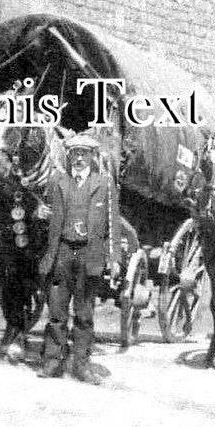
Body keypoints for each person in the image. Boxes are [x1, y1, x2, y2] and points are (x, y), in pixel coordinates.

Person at [36, 133, 123, 384]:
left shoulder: (104, 184)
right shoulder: (58, 182)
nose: (79, 158)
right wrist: (39, 211)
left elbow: (112, 224)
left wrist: (114, 257)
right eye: (75, 153)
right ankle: (53, 362)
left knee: (84, 314)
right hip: (62, 252)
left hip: (89, 254)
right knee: (56, 311)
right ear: (69, 156)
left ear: (93, 157)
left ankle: (81, 365)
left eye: (84, 154)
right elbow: (44, 210)